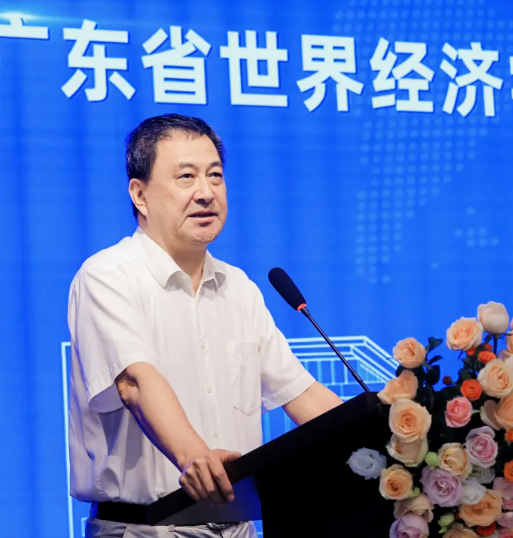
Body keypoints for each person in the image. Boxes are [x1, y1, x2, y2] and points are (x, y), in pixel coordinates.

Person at [67, 114, 343, 538]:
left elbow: (300, 393)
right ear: (139, 194)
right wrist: (196, 458)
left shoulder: (239, 287)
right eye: (186, 177)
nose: (206, 192)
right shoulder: (108, 276)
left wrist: (387, 442)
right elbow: (135, 383)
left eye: (215, 176)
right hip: (145, 529)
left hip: (239, 527)